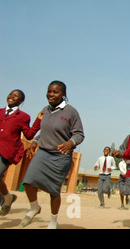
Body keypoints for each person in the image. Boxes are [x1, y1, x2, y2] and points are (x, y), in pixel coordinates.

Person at [20, 80, 84, 229]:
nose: (51, 94)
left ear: (63, 94)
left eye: (55, 92)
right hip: (43, 152)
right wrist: (35, 141)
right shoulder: (45, 110)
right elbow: (45, 130)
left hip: (60, 156)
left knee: (54, 190)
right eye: (49, 91)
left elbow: (79, 134)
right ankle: (34, 207)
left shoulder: (71, 112)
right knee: (28, 181)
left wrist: (70, 143)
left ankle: (53, 220)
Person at [0, 90, 41, 216]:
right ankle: (7, 197)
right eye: (11, 94)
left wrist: (38, 121)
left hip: (7, 152)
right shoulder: (0, 112)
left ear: (21, 101)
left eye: (16, 95)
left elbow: (28, 135)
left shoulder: (23, 117)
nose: (12, 96)